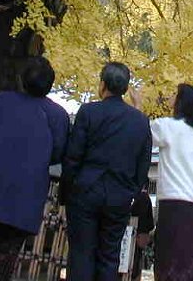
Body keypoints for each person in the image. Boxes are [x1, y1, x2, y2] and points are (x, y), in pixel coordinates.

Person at [0, 56, 70, 281]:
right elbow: (58, 153)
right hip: (27, 194)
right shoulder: (57, 115)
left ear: (22, 79)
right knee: (9, 256)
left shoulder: (1, 102)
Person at [62, 62, 152, 281]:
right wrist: (131, 192)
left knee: (82, 252)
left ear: (102, 84)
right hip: (119, 196)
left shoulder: (89, 112)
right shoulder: (140, 121)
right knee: (109, 256)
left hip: (86, 191)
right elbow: (143, 164)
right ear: (125, 88)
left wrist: (66, 192)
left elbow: (73, 156)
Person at [151, 83, 193, 281]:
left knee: (168, 263)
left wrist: (137, 107)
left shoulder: (167, 126)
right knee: (189, 266)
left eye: (175, 96)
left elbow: (141, 132)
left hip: (172, 205)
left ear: (181, 103)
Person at [130, 186, 155, 281]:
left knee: (133, 257)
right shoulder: (146, 198)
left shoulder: (136, 197)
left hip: (132, 234)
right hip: (142, 235)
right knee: (138, 258)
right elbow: (150, 223)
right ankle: (135, 276)